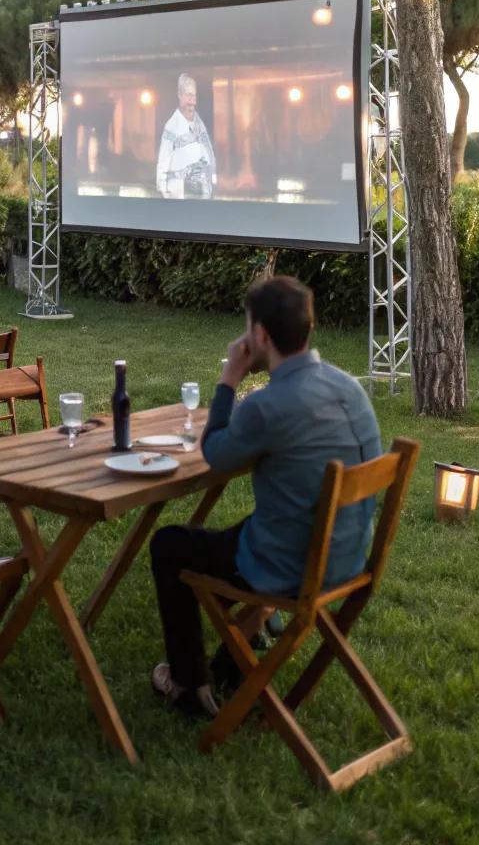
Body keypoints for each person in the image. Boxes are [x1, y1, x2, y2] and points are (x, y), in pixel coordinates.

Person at [149, 275, 381, 718]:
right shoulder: (349, 386)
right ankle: (239, 647)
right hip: (348, 557)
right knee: (230, 537)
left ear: (259, 335)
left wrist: (229, 378)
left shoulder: (267, 406)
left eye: (247, 328)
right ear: (308, 328)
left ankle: (188, 686)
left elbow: (215, 454)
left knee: (170, 545)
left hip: (293, 567)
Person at [156, 73, 216, 198]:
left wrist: (212, 180)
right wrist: (164, 191)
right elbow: (163, 160)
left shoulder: (200, 125)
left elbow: (209, 153)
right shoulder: (171, 127)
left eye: (194, 95)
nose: (192, 100)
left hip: (201, 196)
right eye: (188, 95)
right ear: (180, 95)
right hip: (179, 197)